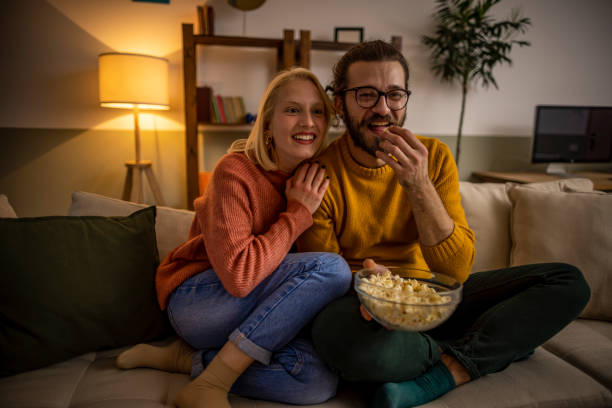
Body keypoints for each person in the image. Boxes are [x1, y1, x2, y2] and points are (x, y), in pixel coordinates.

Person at [297, 40, 591, 408]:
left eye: (394, 94)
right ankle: (493, 345)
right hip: (361, 307)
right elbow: (320, 282)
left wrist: (418, 185)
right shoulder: (318, 175)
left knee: (567, 282)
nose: (383, 109)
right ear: (340, 103)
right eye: (367, 95)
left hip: (434, 298)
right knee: (341, 340)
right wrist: (376, 291)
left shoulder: (433, 157)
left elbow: (456, 269)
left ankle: (448, 369)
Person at [115, 67, 353, 408]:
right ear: (268, 122)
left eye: (317, 111)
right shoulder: (235, 170)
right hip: (202, 301)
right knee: (332, 268)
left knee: (314, 382)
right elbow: (240, 277)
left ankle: (185, 361)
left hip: (260, 316)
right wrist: (297, 214)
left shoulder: (316, 180)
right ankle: (213, 382)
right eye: (292, 110)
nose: (308, 122)